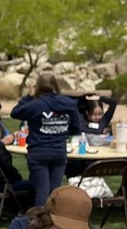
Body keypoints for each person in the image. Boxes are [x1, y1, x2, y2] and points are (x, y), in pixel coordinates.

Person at [11, 71, 79, 207]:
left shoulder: (35, 105)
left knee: (42, 191)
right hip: (59, 151)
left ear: (38, 87)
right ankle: (53, 221)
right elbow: (76, 128)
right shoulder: (68, 103)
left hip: (39, 151)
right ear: (55, 85)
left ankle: (39, 222)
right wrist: (61, 131)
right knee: (54, 192)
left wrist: (29, 97)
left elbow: (16, 112)